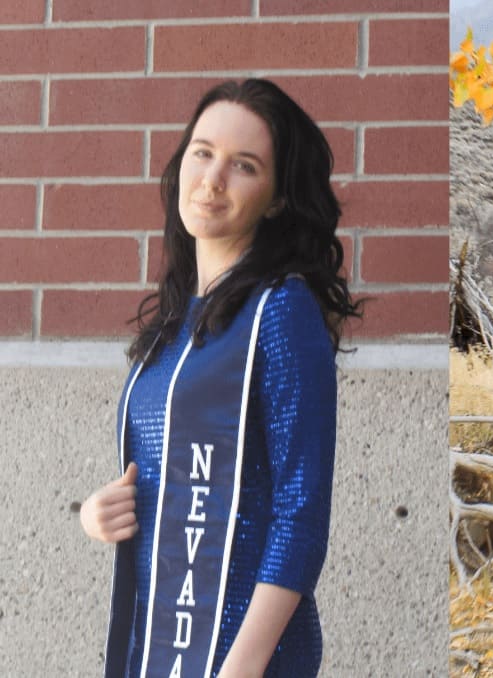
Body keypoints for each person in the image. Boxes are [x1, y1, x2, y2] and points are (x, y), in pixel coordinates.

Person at [79, 78, 359, 678]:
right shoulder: (174, 323)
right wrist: (100, 511)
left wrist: (242, 667)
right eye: (202, 153)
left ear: (278, 198)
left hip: (243, 653)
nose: (212, 178)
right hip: (156, 640)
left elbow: (301, 513)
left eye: (245, 165)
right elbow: (172, 473)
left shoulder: (282, 311)